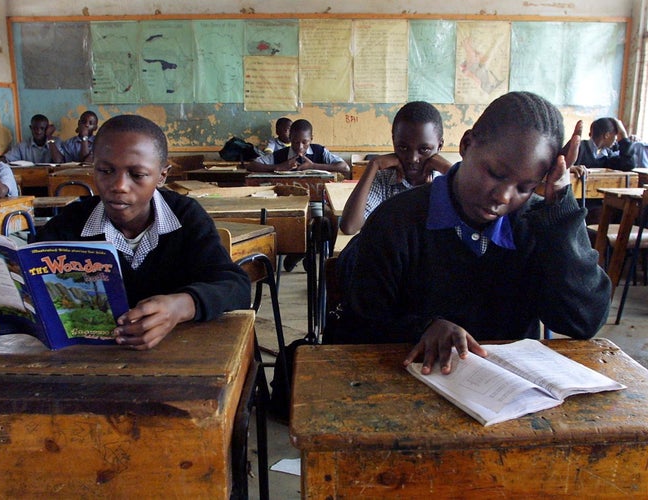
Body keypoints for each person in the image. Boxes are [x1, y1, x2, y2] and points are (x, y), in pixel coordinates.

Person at [332, 91, 611, 377]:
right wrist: (424, 327)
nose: (503, 196)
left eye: (525, 187)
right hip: (406, 389)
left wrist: (560, 206)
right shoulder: (396, 221)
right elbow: (361, 324)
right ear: (466, 144)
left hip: (507, 396)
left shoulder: (536, 225)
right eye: (495, 173)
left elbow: (583, 321)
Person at [0, 114, 252, 352]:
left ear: (162, 175)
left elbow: (234, 284)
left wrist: (181, 307)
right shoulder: (74, 220)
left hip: (177, 362)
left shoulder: (185, 217)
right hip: (87, 364)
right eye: (105, 171)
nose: (119, 186)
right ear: (93, 166)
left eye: (137, 174)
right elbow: (10, 276)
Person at [339, 101, 451, 236]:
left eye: (424, 149)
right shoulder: (384, 180)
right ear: (394, 141)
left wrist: (449, 170)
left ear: (439, 146)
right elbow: (349, 226)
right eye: (403, 147)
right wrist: (373, 166)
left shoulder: (448, 181)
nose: (413, 158)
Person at [248, 119, 349, 175]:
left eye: (305, 142)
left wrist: (313, 166)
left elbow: (345, 167)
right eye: (295, 142)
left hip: (316, 200)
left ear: (311, 139)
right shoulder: (281, 154)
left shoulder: (320, 151)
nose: (300, 147)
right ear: (290, 138)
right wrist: (278, 167)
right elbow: (252, 166)